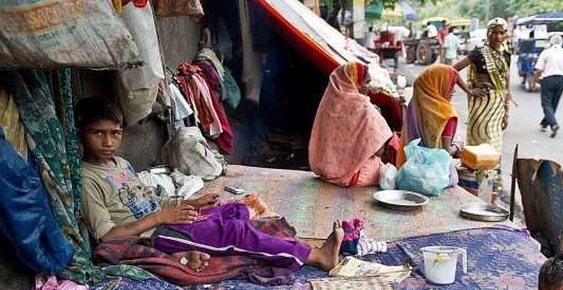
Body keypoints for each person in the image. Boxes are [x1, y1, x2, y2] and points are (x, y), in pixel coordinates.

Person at [77, 97, 343, 273]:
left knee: (234, 211)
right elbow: (108, 237)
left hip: (164, 219)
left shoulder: (121, 165)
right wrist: (162, 216)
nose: (108, 142)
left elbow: (152, 201)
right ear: (81, 133)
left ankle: (283, 243)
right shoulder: (87, 178)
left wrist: (187, 204)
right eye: (98, 133)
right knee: (235, 233)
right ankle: (315, 256)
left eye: (115, 133)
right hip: (155, 234)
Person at [308, 62, 397, 186]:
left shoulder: (327, 103)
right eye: (366, 82)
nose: (369, 88)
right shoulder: (364, 108)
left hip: (327, 172)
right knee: (382, 166)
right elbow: (379, 151)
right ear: (353, 83)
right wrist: (377, 116)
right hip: (355, 176)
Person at [453, 17, 512, 192]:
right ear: (488, 33)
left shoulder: (505, 55)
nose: (498, 36)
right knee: (483, 148)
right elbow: (453, 70)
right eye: (494, 32)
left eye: (502, 33)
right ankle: (479, 190)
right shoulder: (479, 53)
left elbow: (506, 85)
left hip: (498, 107)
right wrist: (469, 91)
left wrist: (506, 113)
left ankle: (488, 190)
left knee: (494, 148)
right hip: (483, 108)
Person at [396, 63, 484, 165]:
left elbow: (453, 72)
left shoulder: (415, 108)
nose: (453, 90)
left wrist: (469, 91)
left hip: (410, 170)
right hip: (435, 173)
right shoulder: (445, 114)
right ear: (436, 87)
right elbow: (446, 152)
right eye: (449, 84)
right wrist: (457, 146)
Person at [531, 35, 563, 138]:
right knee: (553, 104)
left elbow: (539, 70)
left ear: (551, 43)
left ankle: (553, 124)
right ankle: (545, 124)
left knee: (546, 104)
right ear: (561, 43)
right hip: (561, 80)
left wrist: (534, 81)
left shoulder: (546, 53)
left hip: (548, 79)